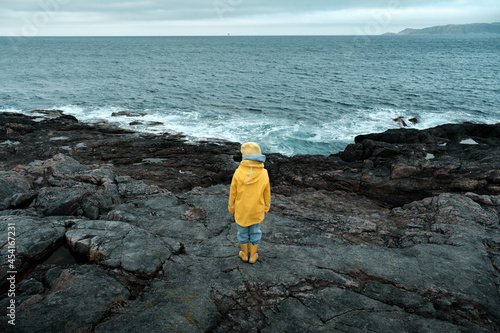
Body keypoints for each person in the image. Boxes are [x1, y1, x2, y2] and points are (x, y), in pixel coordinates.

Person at [228, 142, 271, 264]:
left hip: (241, 210)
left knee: (242, 232)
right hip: (257, 210)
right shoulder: (264, 173)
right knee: (255, 231)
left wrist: (231, 207)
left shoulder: (238, 172)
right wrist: (267, 206)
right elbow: (267, 192)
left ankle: (244, 254)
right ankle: (253, 256)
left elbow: (233, 192)